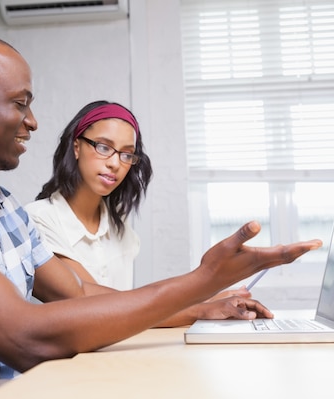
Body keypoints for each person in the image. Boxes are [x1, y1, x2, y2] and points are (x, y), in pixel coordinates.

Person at [0, 29, 322, 399]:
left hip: (25, 397)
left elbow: (80, 295)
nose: (32, 121)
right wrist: (202, 281)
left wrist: (202, 303)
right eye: (19, 102)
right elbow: (25, 338)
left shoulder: (5, 209)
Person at [25, 100, 248, 297]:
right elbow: (97, 304)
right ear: (76, 147)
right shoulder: (38, 219)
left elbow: (129, 309)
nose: (115, 163)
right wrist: (203, 297)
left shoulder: (118, 223)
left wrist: (207, 298)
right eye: (103, 147)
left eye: (126, 154)